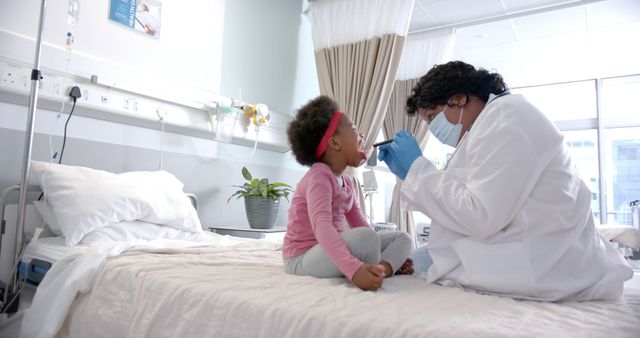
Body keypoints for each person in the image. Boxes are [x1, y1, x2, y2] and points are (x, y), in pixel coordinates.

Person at [378, 61, 633, 301]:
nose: (433, 129)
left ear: (457, 99)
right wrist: (410, 173)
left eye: (432, 117)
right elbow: (465, 197)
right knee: (420, 258)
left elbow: (480, 214)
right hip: (528, 248)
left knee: (421, 264)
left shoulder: (506, 117)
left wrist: (417, 169)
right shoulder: (485, 127)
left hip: (543, 263)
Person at [283, 95, 414, 291]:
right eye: (354, 130)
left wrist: (383, 252)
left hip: (326, 251)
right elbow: (323, 228)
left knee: (402, 238)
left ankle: (381, 269)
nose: (360, 135)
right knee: (366, 238)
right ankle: (374, 270)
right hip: (301, 257)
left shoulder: (345, 180)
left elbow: (362, 224)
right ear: (335, 143)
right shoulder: (319, 177)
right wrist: (353, 269)